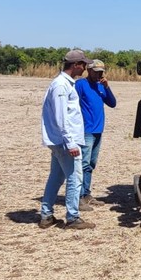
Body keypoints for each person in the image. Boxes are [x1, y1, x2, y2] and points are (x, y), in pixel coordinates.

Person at [38, 49, 96, 230]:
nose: (85, 68)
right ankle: (72, 218)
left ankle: (46, 216)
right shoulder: (61, 86)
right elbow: (61, 117)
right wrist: (70, 143)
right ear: (76, 65)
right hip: (65, 142)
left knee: (55, 178)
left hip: (60, 141)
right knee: (75, 178)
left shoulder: (65, 84)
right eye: (83, 64)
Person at [75, 59, 117, 208]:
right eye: (96, 71)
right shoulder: (80, 85)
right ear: (89, 70)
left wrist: (107, 87)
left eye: (101, 72)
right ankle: (79, 197)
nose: (99, 74)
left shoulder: (100, 86)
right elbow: (73, 105)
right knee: (83, 164)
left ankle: (87, 194)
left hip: (98, 130)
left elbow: (112, 103)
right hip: (86, 130)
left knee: (91, 164)